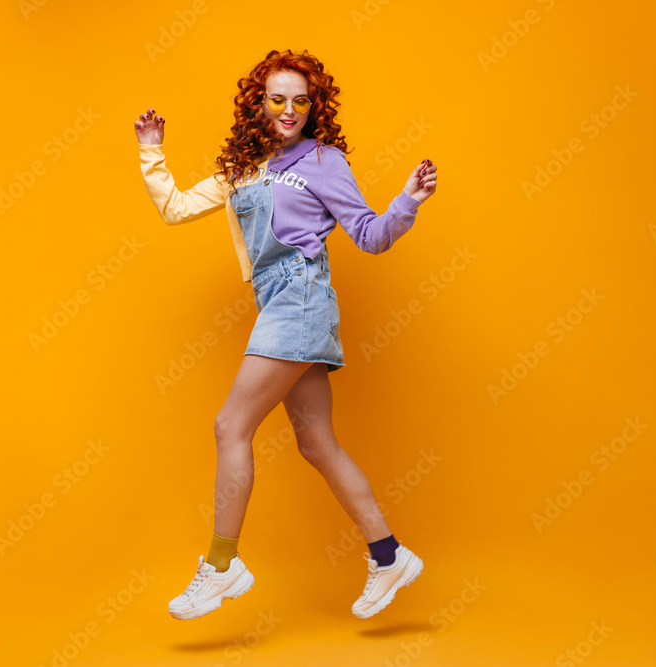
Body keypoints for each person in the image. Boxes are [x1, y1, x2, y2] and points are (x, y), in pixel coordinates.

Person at [133, 48, 438, 621]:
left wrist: (408, 202)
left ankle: (222, 567)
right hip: (276, 301)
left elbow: (369, 235)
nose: (289, 109)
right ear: (259, 103)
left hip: (301, 296)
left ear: (314, 106)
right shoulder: (244, 167)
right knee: (316, 442)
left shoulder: (323, 160)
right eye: (278, 98)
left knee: (230, 425)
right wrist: (152, 150)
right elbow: (175, 209)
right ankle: (388, 555)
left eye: (301, 100)